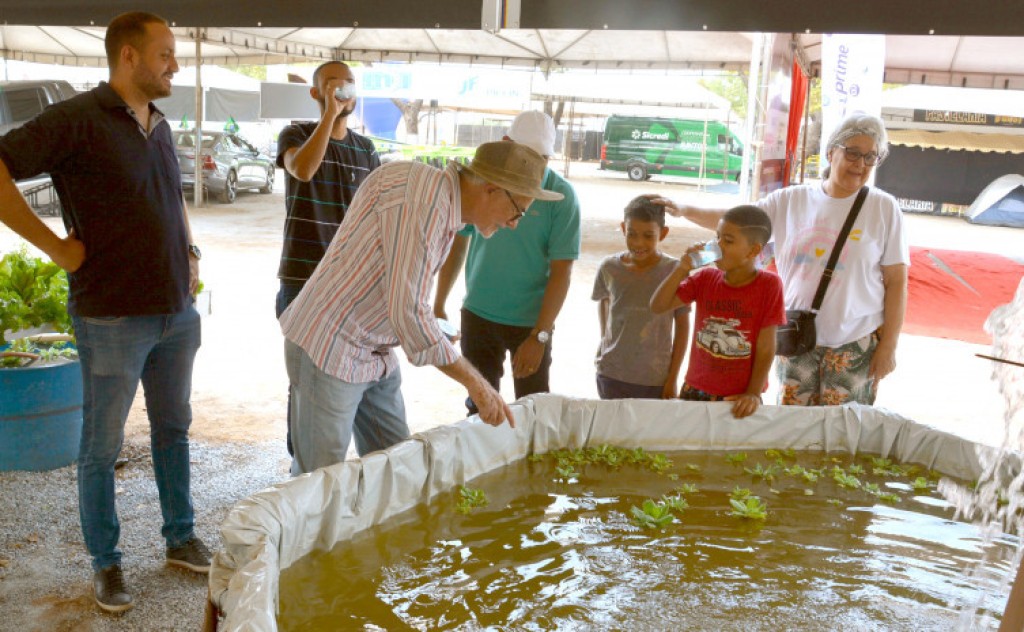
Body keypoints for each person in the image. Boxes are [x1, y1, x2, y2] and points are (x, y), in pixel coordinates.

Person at [0, 12, 209, 613]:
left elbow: (170, 199)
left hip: (176, 313)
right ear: (129, 58)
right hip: (110, 318)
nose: (175, 64)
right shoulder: (75, 119)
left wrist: (190, 251)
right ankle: (107, 564)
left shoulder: (160, 124)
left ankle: (180, 536)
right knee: (101, 447)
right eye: (166, 54)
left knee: (174, 429)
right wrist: (57, 250)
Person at [280, 141, 562, 475]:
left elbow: (405, 301)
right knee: (319, 479)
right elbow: (409, 315)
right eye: (518, 211)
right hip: (329, 344)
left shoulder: (441, 202)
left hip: (376, 348)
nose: (515, 223)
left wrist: (434, 327)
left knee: (397, 465)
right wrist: (478, 385)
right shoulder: (426, 204)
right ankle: (314, 529)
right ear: (492, 189)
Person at [655, 112, 909, 407]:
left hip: (855, 342)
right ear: (830, 152)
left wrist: (888, 345)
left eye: (870, 157)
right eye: (853, 153)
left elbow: (897, 282)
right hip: (795, 339)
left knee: (844, 431)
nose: (860, 164)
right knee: (792, 430)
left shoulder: (884, 208)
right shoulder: (790, 200)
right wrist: (685, 209)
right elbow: (737, 223)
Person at [433, 111, 581, 415]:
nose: (535, 169)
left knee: (533, 409)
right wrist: (439, 303)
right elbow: (459, 240)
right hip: (478, 313)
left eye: (543, 159)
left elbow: (562, 271)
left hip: (530, 323)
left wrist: (539, 336)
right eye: (526, 156)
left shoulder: (561, 197)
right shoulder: (484, 183)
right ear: (505, 145)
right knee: (481, 406)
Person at [276, 61, 380, 455]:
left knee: (341, 375)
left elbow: (374, 211)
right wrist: (330, 120)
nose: (343, 92)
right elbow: (302, 170)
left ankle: (325, 455)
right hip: (301, 281)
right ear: (316, 93)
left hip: (348, 288)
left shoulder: (365, 148)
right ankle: (299, 462)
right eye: (333, 86)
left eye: (349, 85)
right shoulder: (296, 133)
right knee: (304, 377)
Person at [650, 205, 785, 418]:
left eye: (728, 241)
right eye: (718, 237)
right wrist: (682, 268)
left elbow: (766, 347)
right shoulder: (705, 279)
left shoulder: (769, 285)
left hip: (738, 398)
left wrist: (752, 393)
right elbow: (658, 306)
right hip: (695, 389)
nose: (718, 245)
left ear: (753, 251)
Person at [592, 196, 689, 400]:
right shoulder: (609, 267)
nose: (638, 243)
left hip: (655, 379)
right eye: (632, 234)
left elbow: (683, 326)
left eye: (648, 236)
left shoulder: (675, 271)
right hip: (612, 373)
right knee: (612, 429)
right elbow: (605, 302)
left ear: (663, 234)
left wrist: (672, 378)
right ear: (622, 228)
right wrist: (604, 342)